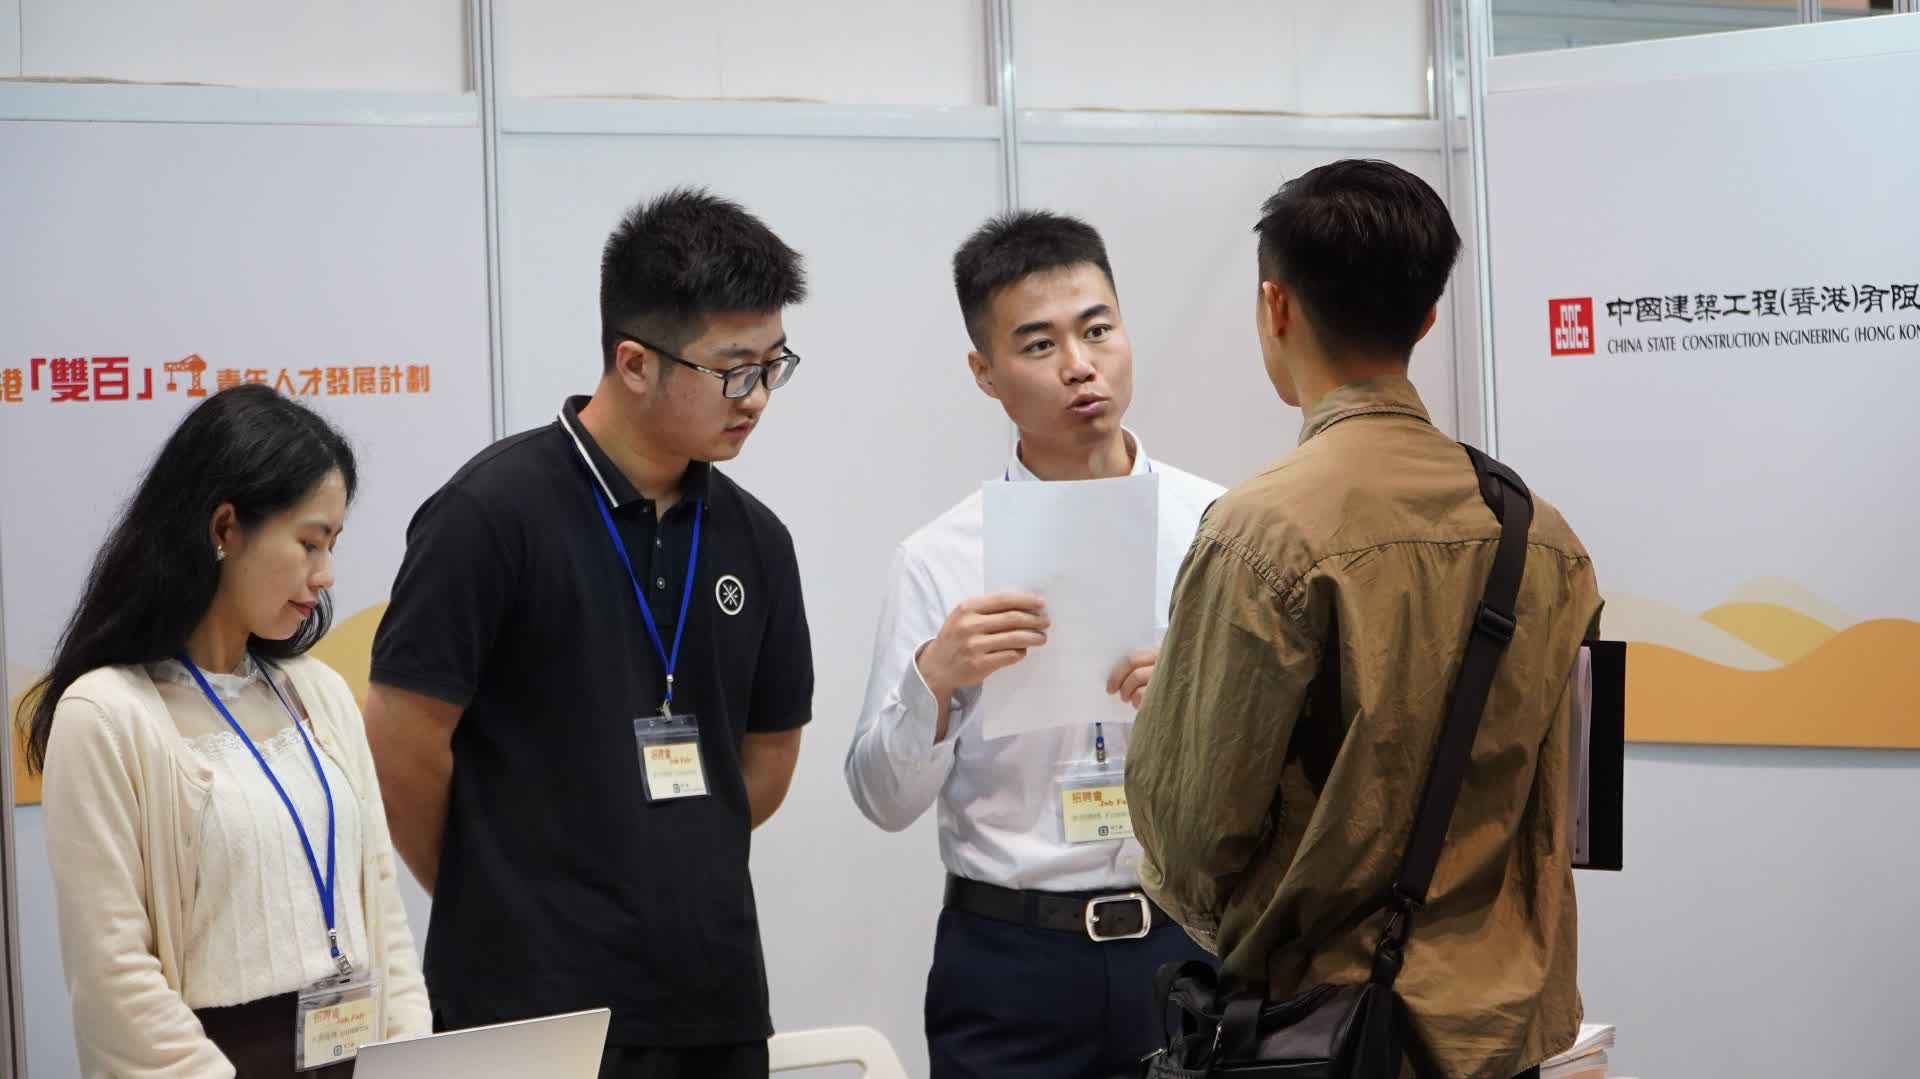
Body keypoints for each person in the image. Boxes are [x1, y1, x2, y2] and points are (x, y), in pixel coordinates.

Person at [1126, 159, 1602, 1079]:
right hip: (1502, 1043)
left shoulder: (1260, 533)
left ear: (1275, 306)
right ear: (1427, 318)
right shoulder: (1544, 535)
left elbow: (1188, 836)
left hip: (1324, 1038)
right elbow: (1570, 816)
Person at [365, 187, 813, 1079]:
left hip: (711, 999)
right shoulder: (490, 514)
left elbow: (764, 762)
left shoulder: (757, 540)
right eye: (734, 369)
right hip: (526, 1004)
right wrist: (503, 889)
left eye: (774, 364)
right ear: (634, 362)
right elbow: (402, 741)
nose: (759, 396)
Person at [845, 210, 1224, 1079]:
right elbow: (881, 798)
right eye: (1040, 344)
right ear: (985, 373)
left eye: (1098, 330)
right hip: (1011, 959)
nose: (1080, 364)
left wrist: (1205, 706)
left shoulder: (1219, 527)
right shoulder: (939, 557)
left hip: (1186, 942)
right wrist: (934, 680)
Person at [23, 384, 429, 1078]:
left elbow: (383, 912)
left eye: (332, 545)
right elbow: (114, 977)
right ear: (224, 527)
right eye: (309, 543)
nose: (325, 575)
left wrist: (410, 1058)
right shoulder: (106, 714)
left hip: (354, 1053)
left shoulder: (321, 693)